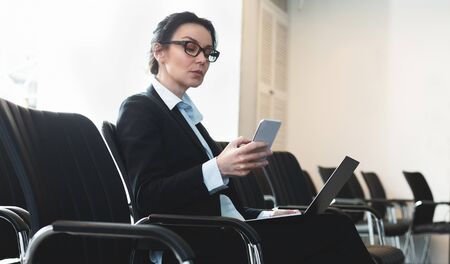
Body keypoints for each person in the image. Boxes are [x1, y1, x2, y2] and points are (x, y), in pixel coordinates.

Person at [116, 11, 374, 264]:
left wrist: (269, 214)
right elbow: (146, 197)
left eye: (208, 52)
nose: (202, 59)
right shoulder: (140, 108)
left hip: (229, 232)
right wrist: (218, 167)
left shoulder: (188, 118)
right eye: (190, 47)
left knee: (328, 223)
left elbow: (223, 206)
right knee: (334, 227)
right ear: (159, 51)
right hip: (193, 242)